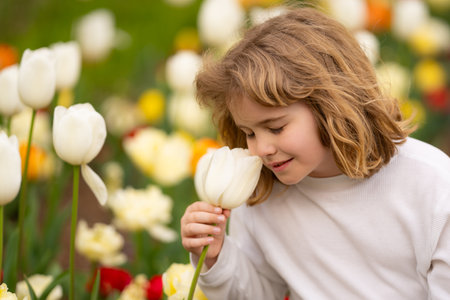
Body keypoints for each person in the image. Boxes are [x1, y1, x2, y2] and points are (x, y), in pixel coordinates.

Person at [180, 5, 450, 300]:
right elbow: (259, 293)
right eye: (249, 133)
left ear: (330, 105)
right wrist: (215, 255)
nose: (262, 149)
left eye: (277, 127)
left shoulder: (429, 183)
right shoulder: (260, 191)